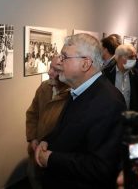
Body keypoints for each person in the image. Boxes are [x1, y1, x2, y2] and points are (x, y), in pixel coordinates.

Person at [35, 33, 126, 189]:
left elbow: (101, 167)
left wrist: (51, 158)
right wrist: (47, 140)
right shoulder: (79, 90)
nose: (59, 62)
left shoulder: (109, 102)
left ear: (85, 64)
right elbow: (68, 129)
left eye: (64, 57)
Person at [26, 56, 70, 189]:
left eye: (55, 69)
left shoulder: (72, 94)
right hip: (36, 147)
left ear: (66, 72)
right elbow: (32, 113)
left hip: (57, 155)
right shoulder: (44, 87)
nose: (49, 72)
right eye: (50, 67)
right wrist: (32, 138)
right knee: (33, 177)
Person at [103, 44, 138, 111]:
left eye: (135, 56)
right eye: (131, 57)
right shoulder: (106, 73)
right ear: (119, 58)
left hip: (128, 116)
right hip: (110, 114)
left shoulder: (136, 74)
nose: (134, 59)